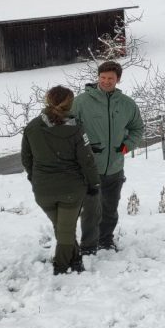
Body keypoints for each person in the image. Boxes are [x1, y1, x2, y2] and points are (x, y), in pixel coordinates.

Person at [22, 86, 100, 275]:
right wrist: (93, 183)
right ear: (70, 104)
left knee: (63, 228)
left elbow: (26, 159)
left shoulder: (32, 127)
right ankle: (63, 267)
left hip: (43, 190)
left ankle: (75, 259)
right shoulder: (76, 129)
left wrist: (35, 178)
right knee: (65, 230)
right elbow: (87, 160)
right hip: (71, 190)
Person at [74, 60, 144, 255]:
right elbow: (68, 128)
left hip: (114, 167)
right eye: (102, 77)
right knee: (90, 210)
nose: (105, 81)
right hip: (89, 167)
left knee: (110, 208)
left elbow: (138, 128)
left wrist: (126, 146)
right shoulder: (81, 102)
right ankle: (88, 246)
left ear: (118, 80)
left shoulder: (127, 104)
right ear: (98, 77)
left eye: (110, 78)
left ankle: (106, 241)